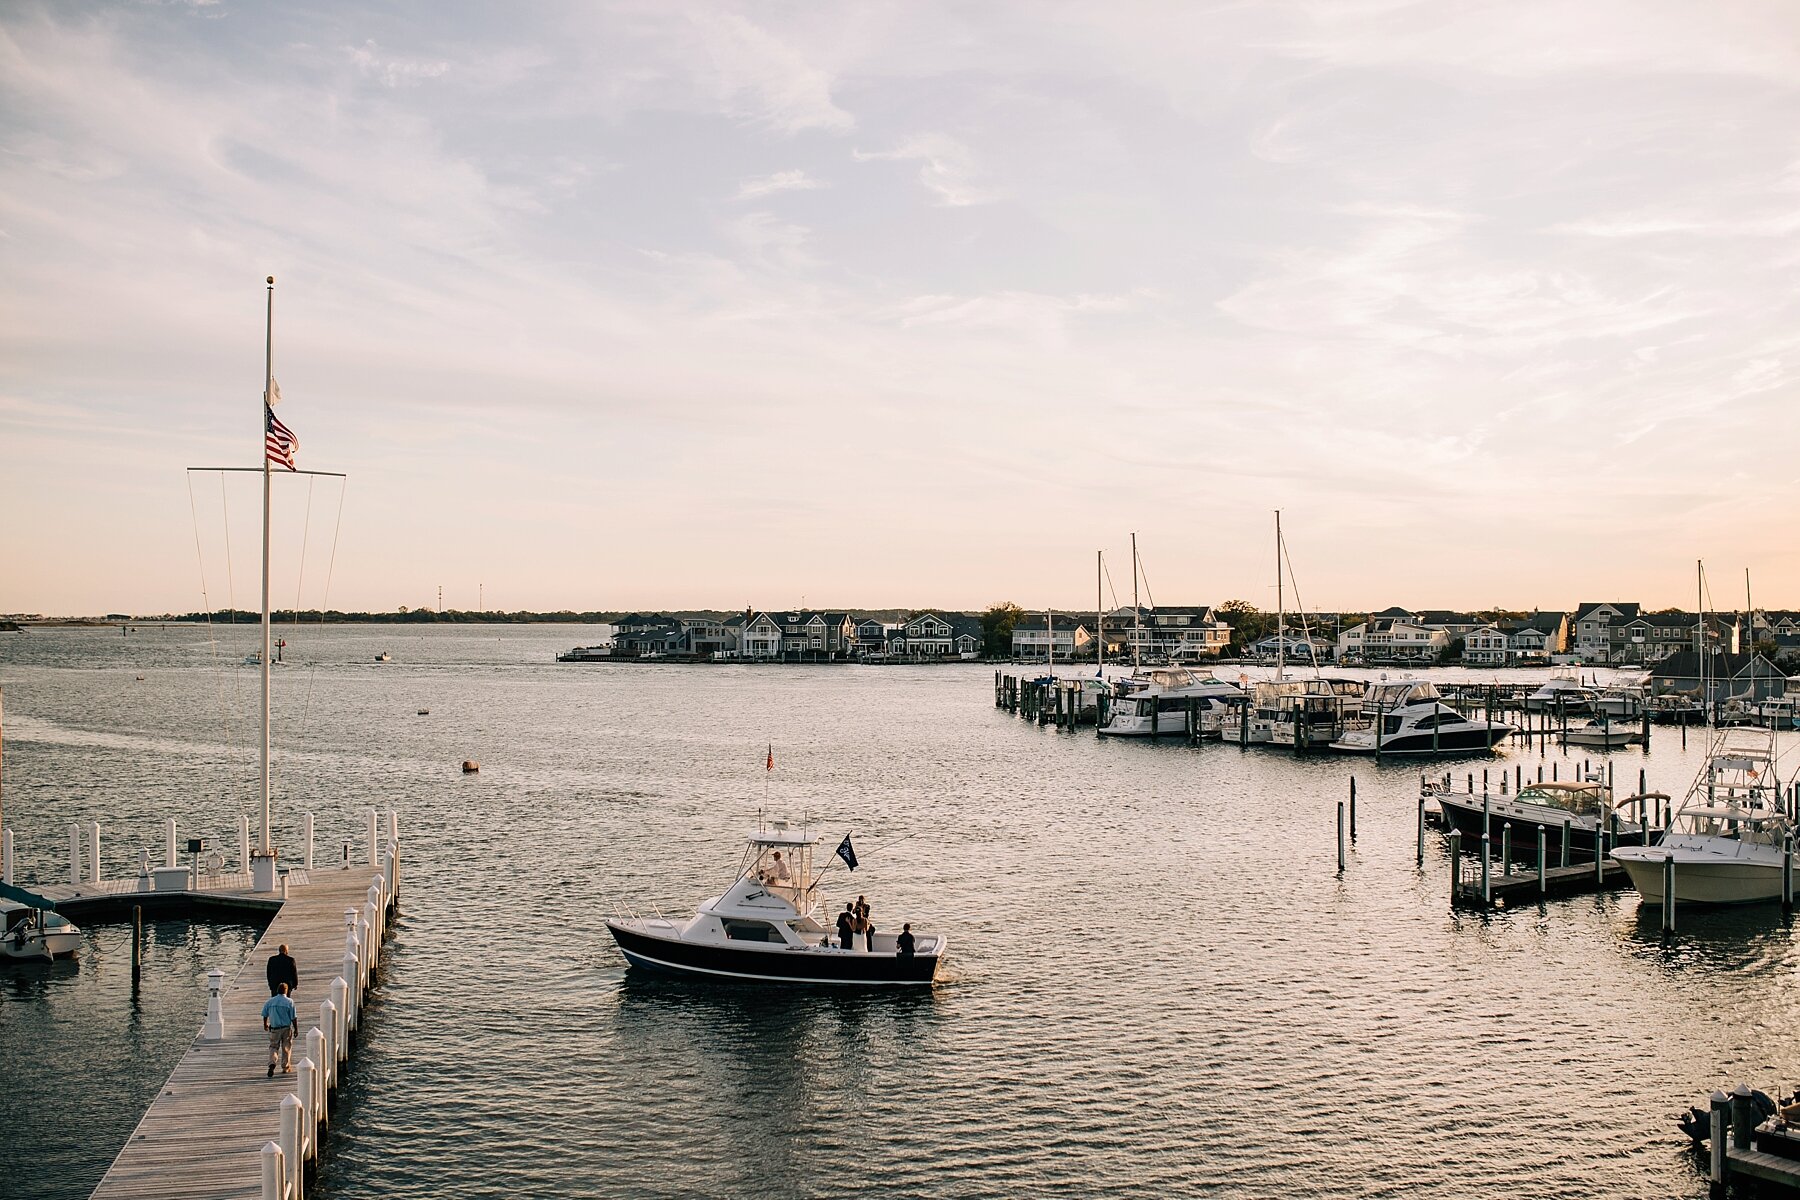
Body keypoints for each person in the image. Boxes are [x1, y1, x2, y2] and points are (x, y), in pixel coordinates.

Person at [262, 982, 297, 1077]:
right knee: (286, 1047)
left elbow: (264, 1014)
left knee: (273, 1047)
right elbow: (293, 1017)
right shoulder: (290, 1002)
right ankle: (285, 1067)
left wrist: (265, 1024)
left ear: (277, 991)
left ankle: (272, 1063)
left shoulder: (270, 1002)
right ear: (286, 991)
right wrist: (296, 1029)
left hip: (274, 1028)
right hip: (286, 1028)